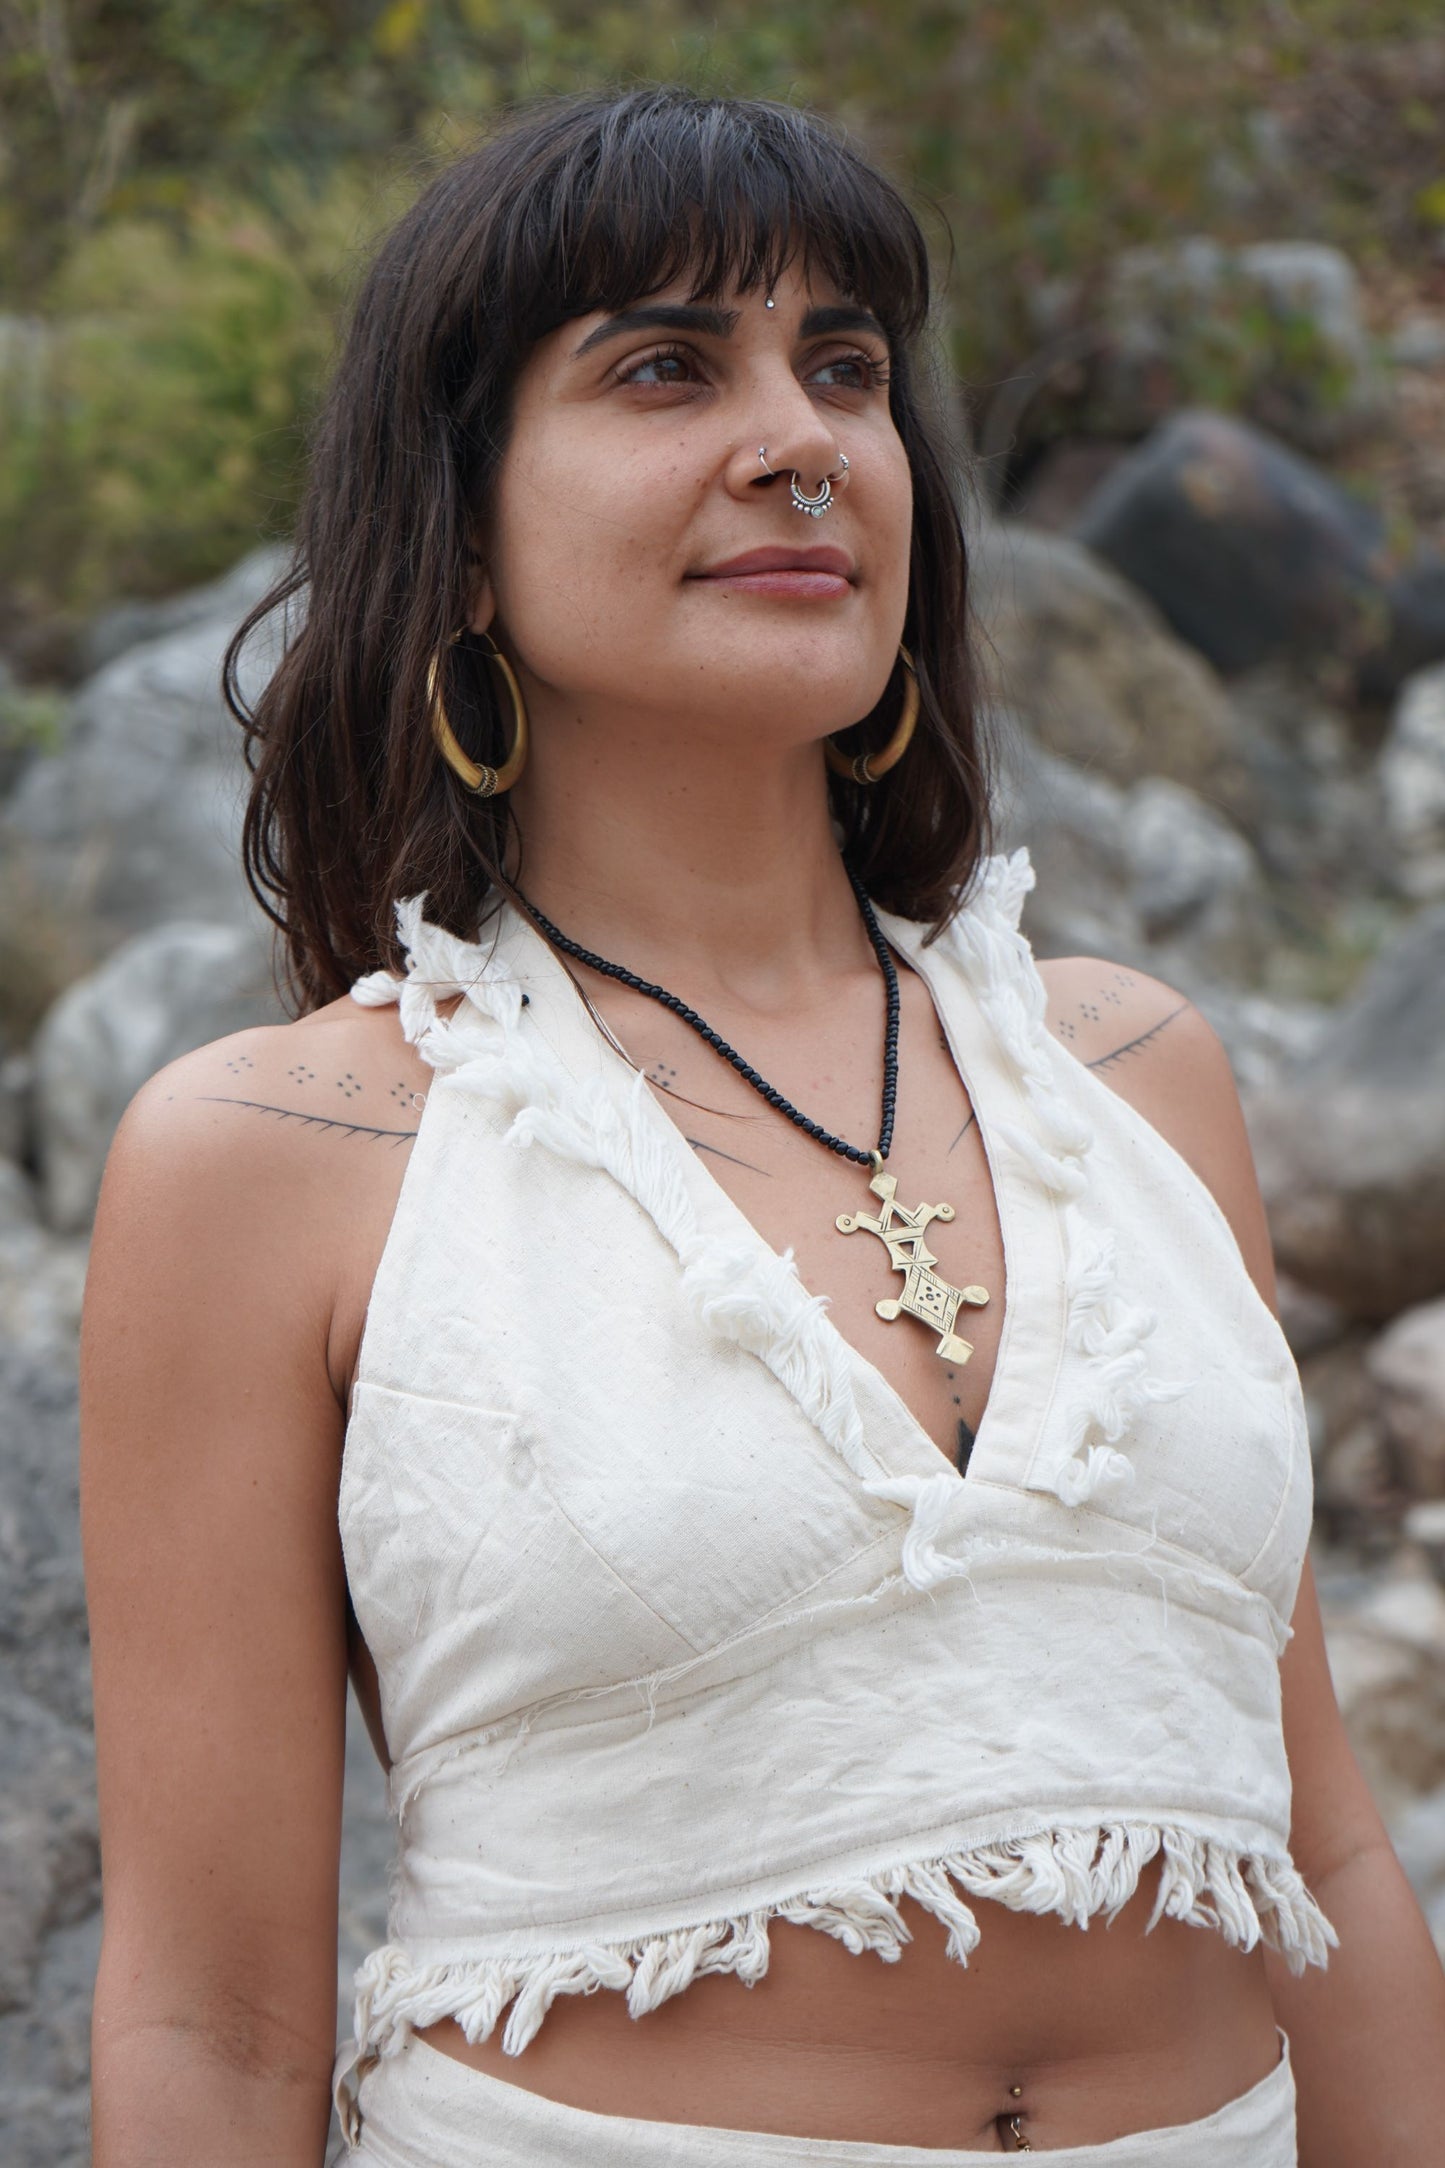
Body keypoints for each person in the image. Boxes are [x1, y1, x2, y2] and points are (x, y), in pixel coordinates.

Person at [81, 88, 1445, 2168]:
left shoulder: (1131, 1077)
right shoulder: (277, 1155)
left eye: (847, 366)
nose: (800, 434)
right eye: (661, 366)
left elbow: (1322, 1851)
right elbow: (216, 2009)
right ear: (454, 529)